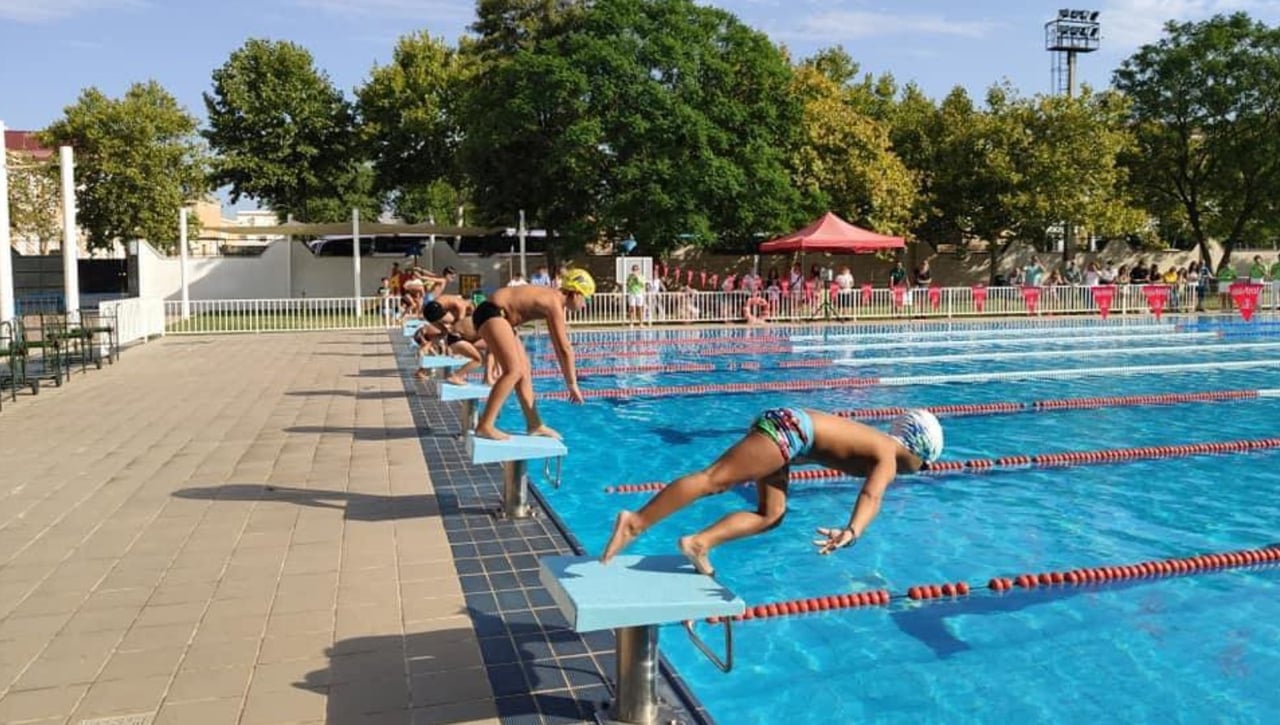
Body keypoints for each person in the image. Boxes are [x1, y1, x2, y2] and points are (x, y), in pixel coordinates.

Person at [600, 408, 945, 576]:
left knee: (771, 515)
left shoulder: (881, 446)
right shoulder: (887, 454)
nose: (923, 470)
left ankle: (699, 543)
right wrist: (852, 531)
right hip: (788, 431)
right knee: (714, 480)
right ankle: (635, 521)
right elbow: (872, 496)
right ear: (916, 450)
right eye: (926, 463)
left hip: (788, 430)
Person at [471, 268, 594, 440]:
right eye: (586, 298)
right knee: (513, 371)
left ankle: (534, 424)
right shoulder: (553, 302)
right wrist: (572, 385)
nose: (585, 305)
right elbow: (564, 348)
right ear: (575, 294)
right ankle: (485, 425)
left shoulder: (551, 300)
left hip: (498, 316)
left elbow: (559, 347)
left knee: (524, 369)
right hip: (491, 313)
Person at [418, 300, 485, 385]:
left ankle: (458, 374)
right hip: (457, 339)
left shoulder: (458, 314)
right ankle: (456, 376)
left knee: (479, 358)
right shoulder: (460, 308)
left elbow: (447, 331)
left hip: (456, 338)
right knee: (478, 360)